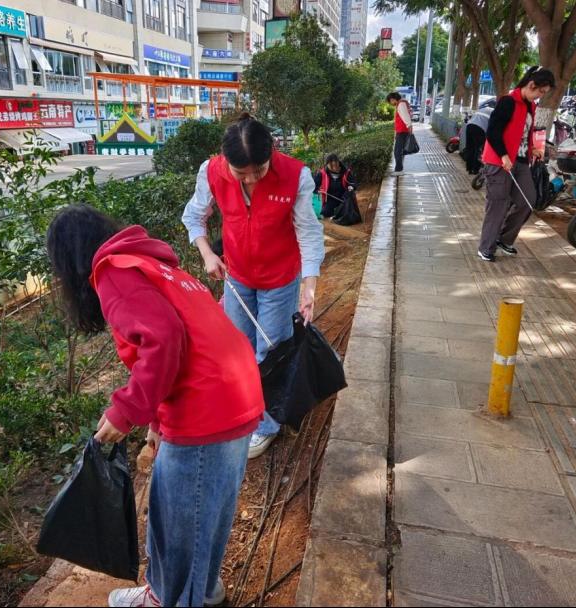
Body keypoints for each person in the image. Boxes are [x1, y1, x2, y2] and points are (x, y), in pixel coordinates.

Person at [46, 205, 265, 608]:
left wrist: (126, 410)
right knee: (206, 509)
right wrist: (157, 421)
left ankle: (170, 598)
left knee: (177, 517)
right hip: (236, 391)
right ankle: (202, 590)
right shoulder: (151, 265)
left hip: (207, 404)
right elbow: (186, 340)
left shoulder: (114, 272)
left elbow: (163, 340)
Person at [182, 113, 325, 459]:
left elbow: (308, 233)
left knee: (271, 351)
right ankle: (244, 409)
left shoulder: (295, 176)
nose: (250, 180)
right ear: (225, 159)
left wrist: (309, 287)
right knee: (239, 348)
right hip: (237, 277)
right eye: (240, 173)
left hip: (279, 279)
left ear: (272, 150)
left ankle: (266, 425)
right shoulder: (212, 172)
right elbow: (194, 216)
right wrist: (207, 254)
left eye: (258, 171)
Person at [477, 66, 555, 262]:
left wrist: (531, 149)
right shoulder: (508, 102)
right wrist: (503, 156)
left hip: (520, 161)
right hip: (499, 162)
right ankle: (486, 247)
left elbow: (523, 133)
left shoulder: (530, 106)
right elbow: (493, 132)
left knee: (527, 201)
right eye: (540, 91)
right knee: (498, 205)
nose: (540, 96)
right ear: (531, 84)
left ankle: (504, 239)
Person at [314, 153, 357, 219]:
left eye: (336, 165)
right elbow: (313, 186)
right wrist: (318, 191)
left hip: (344, 199)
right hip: (331, 199)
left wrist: (351, 187)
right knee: (325, 213)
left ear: (338, 162)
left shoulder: (346, 172)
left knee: (347, 215)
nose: (335, 168)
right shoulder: (322, 173)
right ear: (327, 165)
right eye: (331, 166)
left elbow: (353, 183)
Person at [461, 106, 493, 175]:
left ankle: (469, 168)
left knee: (470, 147)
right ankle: (475, 169)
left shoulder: (482, 109)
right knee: (478, 149)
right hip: (479, 128)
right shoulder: (493, 112)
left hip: (469, 126)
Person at [387, 92, 413, 173]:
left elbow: (405, 116)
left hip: (402, 131)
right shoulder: (402, 103)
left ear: (393, 99)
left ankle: (398, 170)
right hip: (402, 130)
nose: (391, 103)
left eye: (390, 101)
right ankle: (399, 168)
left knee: (397, 151)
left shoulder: (401, 104)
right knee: (400, 151)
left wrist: (409, 126)